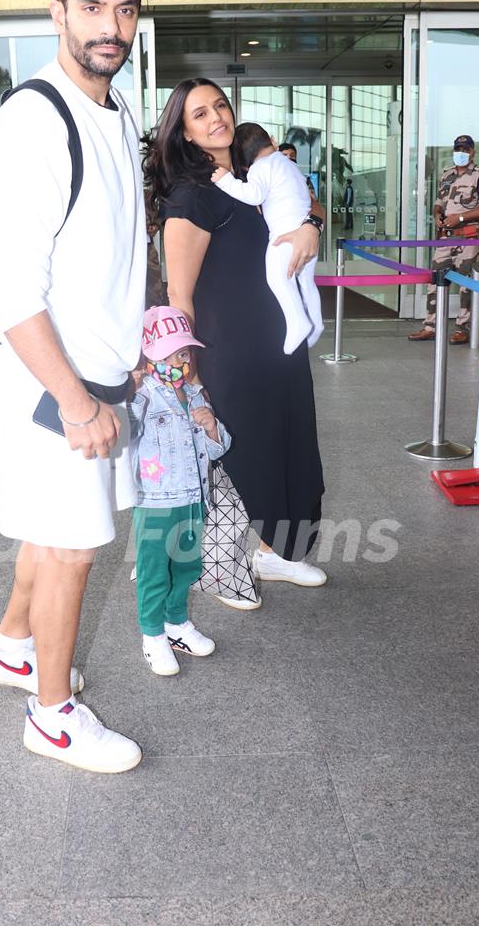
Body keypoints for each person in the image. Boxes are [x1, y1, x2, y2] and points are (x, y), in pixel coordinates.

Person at [0, 0, 154, 774]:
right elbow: (9, 288)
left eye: (124, 8)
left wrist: (134, 346)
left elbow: (108, 251)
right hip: (56, 385)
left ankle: (12, 646)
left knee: (52, 531)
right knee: (76, 545)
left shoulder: (112, 112)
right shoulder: (32, 120)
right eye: (91, 7)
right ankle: (52, 715)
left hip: (98, 373)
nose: (109, 25)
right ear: (59, 11)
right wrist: (77, 403)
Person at [144, 79, 326, 601]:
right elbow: (179, 292)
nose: (215, 118)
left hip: (280, 345)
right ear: (183, 130)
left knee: (290, 447)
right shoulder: (192, 195)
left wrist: (311, 224)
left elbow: (298, 212)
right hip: (231, 351)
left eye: (219, 105)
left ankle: (277, 554)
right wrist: (190, 371)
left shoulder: (252, 175)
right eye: (199, 114)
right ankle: (220, 563)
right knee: (240, 458)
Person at [129, 305, 230, 675]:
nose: (179, 361)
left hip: (192, 498)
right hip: (156, 501)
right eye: (168, 354)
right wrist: (131, 390)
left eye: (184, 353)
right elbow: (125, 434)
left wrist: (212, 427)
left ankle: (176, 623)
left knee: (186, 567)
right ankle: (152, 634)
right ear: (146, 357)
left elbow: (219, 449)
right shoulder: (142, 398)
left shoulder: (194, 394)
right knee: (155, 570)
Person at [212, 122, 323, 355]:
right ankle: (315, 323)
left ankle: (299, 323)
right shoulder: (288, 164)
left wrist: (225, 181)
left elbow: (254, 195)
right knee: (306, 283)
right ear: (271, 141)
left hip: (284, 237)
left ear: (243, 161)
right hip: (305, 233)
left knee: (278, 279)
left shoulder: (259, 168)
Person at [409, 135, 479, 345]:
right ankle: (430, 327)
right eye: (458, 149)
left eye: (466, 149)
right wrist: (438, 213)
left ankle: (463, 329)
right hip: (445, 238)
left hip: (469, 239)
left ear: (473, 152)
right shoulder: (447, 174)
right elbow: (439, 202)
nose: (461, 153)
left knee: (466, 285)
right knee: (435, 281)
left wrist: (461, 218)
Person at [278, 141, 323, 218]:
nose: (288, 158)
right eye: (284, 155)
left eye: (292, 155)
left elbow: (314, 201)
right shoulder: (272, 179)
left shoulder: (304, 180)